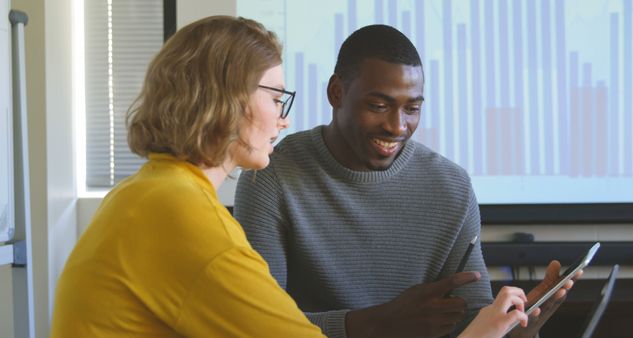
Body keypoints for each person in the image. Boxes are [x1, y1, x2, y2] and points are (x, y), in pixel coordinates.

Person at [234, 24, 575, 338]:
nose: (397, 127)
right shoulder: (271, 175)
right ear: (336, 93)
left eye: (412, 108)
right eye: (379, 105)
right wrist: (376, 323)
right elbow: (256, 324)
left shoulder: (451, 187)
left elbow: (472, 324)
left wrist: (520, 325)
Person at [50, 16, 326, 337]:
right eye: (276, 99)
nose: (284, 120)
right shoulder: (180, 211)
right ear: (226, 99)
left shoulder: (146, 189)